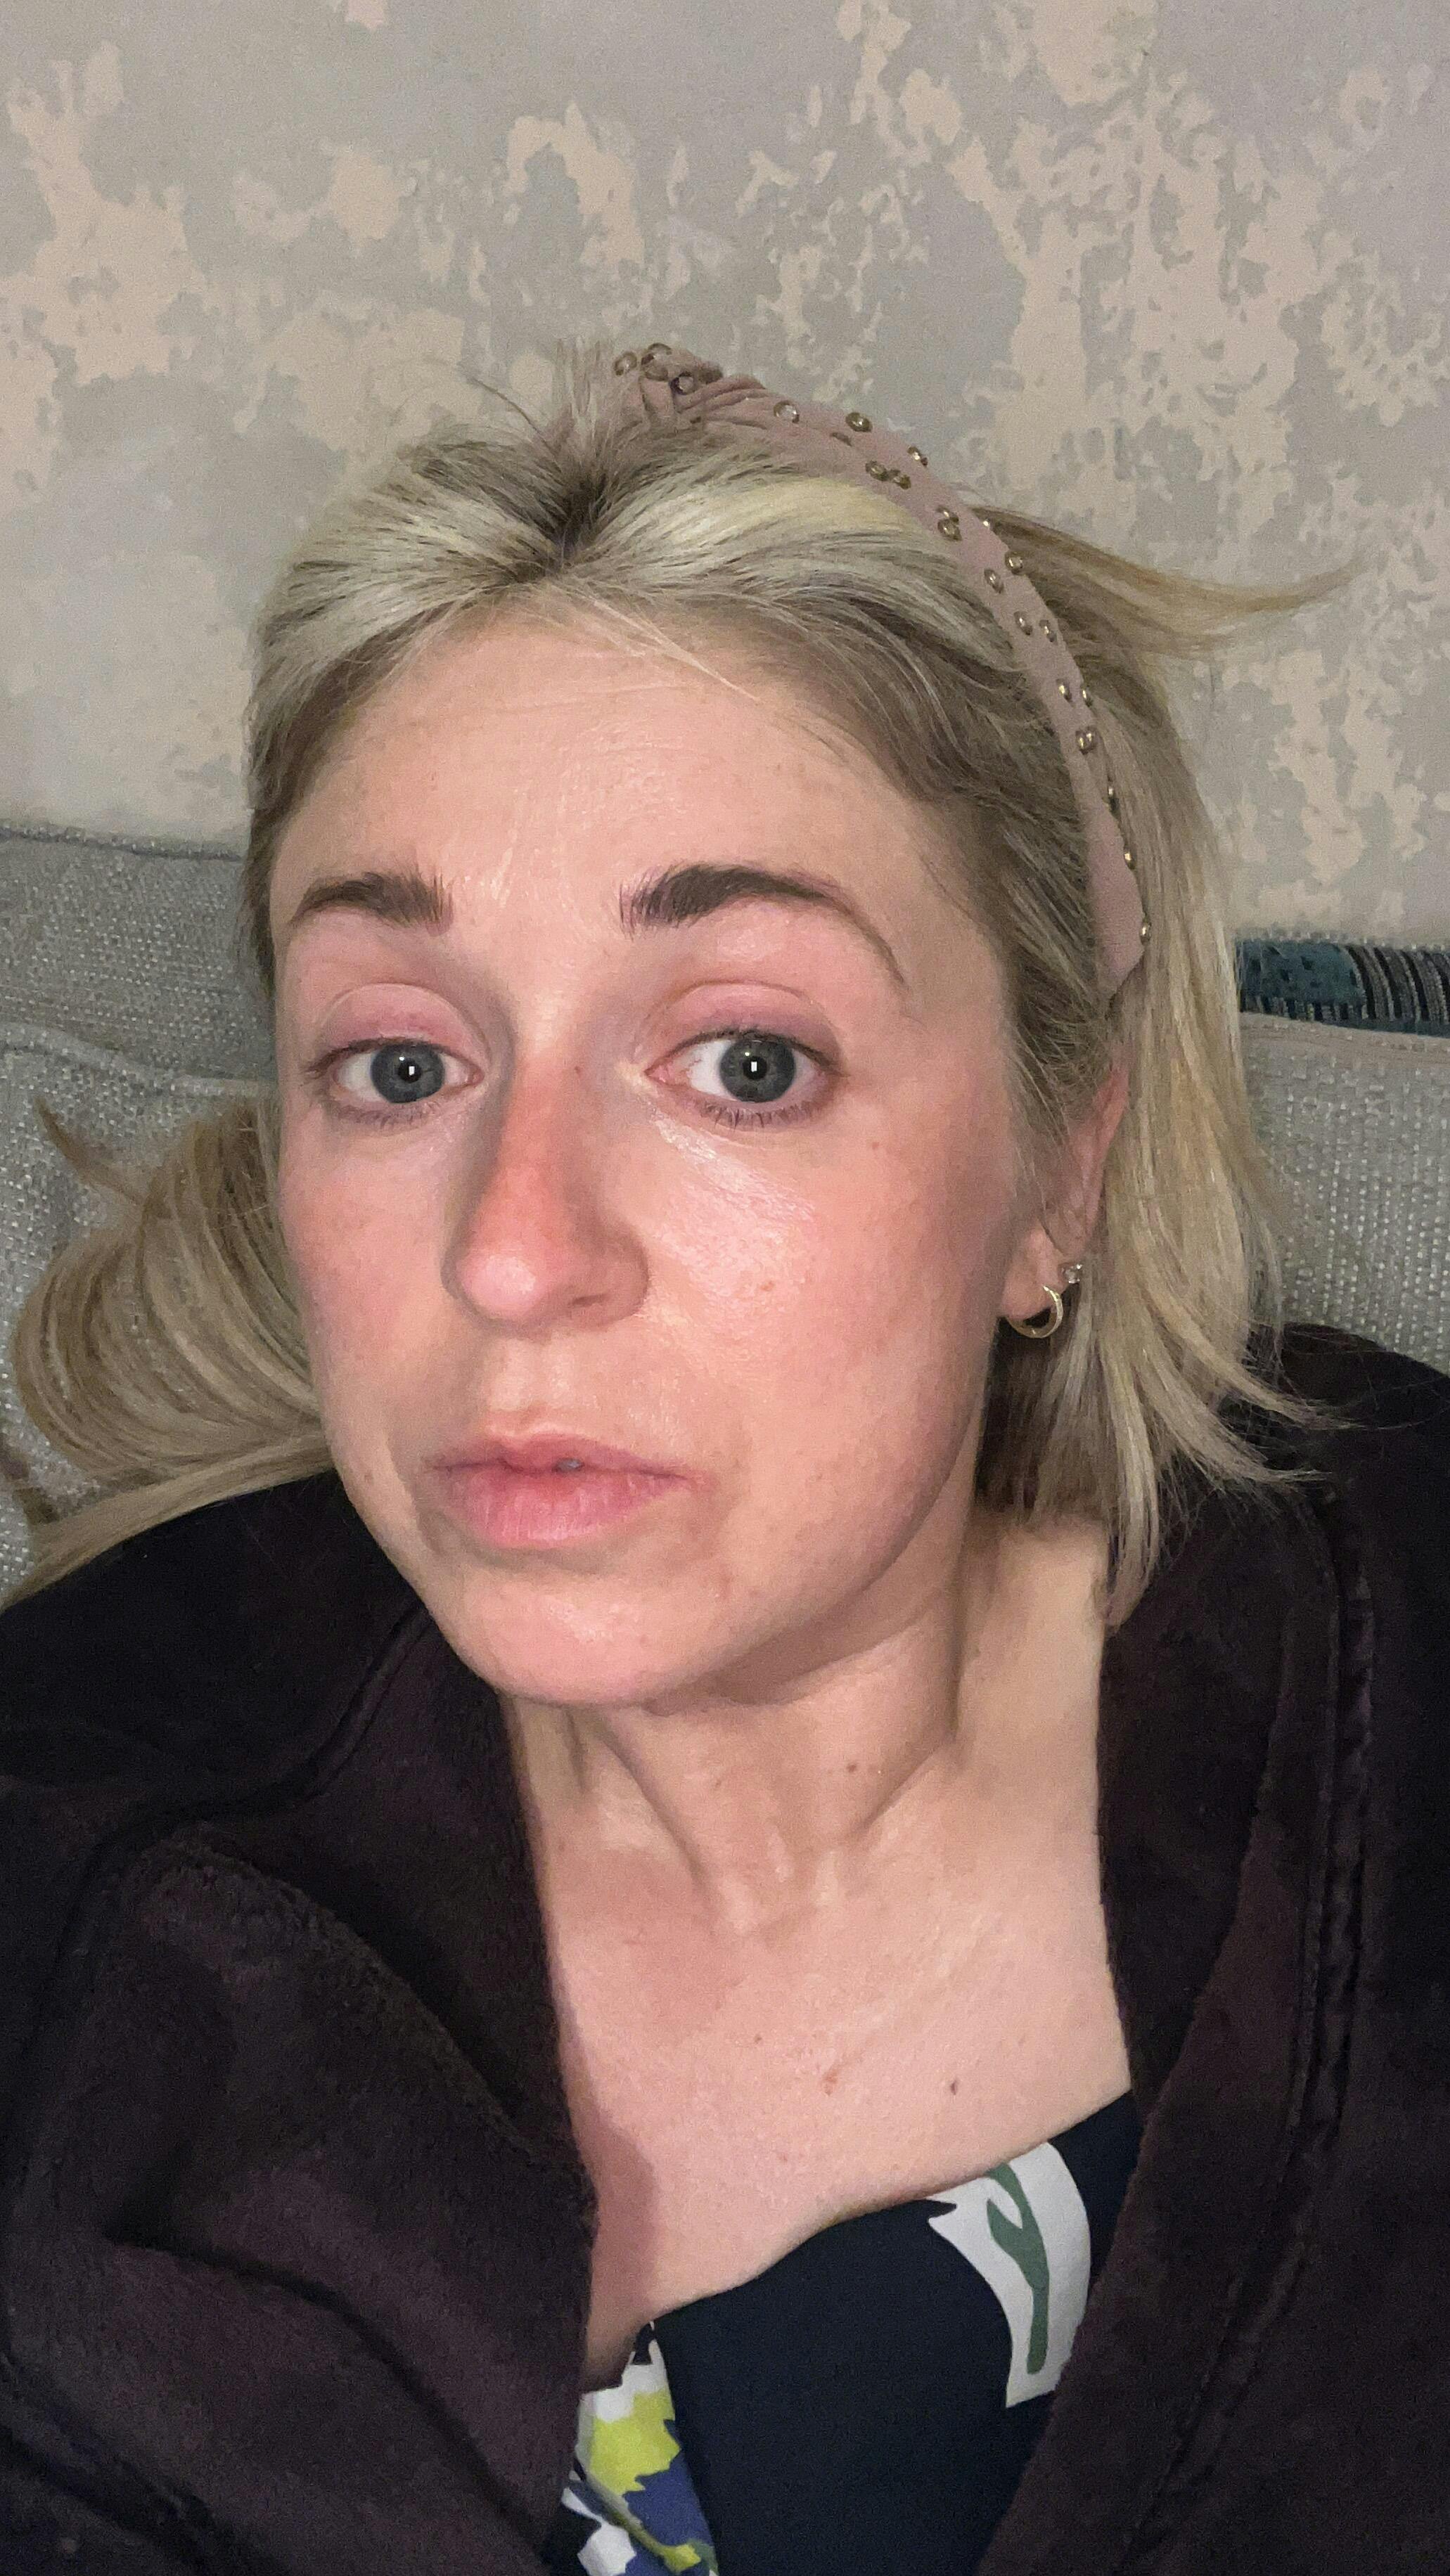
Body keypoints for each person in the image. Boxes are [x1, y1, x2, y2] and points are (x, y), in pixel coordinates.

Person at [1, 335, 1446, 2576]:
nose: (514, 1252)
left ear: (1056, 1170)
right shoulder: (72, 1857)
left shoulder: (1398, 1669)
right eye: (400, 1066)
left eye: (746, 1061)